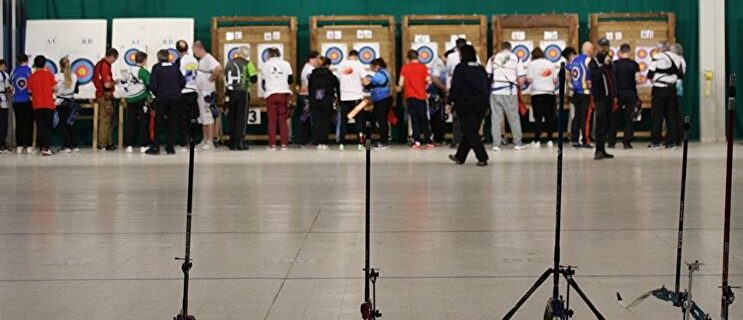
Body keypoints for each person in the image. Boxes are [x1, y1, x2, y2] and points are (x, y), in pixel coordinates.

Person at [448, 45, 489, 166]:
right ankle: (460, 157)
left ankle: (482, 157)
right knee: (471, 130)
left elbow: (456, 86)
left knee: (470, 131)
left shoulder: (460, 68)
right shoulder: (480, 68)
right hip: (481, 103)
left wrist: (449, 101)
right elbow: (487, 85)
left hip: (466, 103)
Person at [486, 41, 527, 151]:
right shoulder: (516, 58)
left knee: (496, 118)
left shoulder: (493, 58)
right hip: (510, 91)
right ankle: (518, 143)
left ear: (500, 48)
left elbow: (487, 75)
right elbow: (521, 79)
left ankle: (496, 144)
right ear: (510, 48)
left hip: (495, 92)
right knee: (513, 117)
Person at [648, 41, 685, 150]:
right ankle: (671, 142)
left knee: (657, 116)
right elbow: (680, 74)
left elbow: (650, 74)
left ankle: (656, 143)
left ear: (660, 48)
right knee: (671, 116)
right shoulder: (677, 58)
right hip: (672, 89)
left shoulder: (657, 57)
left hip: (659, 88)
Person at [147, 50, 185, 155]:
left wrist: (158, 93)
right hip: (175, 98)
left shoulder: (156, 68)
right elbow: (183, 82)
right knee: (172, 123)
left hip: (162, 99)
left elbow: (153, 85)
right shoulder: (175, 67)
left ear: (158, 58)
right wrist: (176, 91)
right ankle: (170, 147)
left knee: (158, 123)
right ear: (169, 57)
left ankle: (156, 147)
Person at [224, 46, 258, 151]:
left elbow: (226, 77)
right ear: (245, 54)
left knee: (232, 117)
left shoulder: (229, 63)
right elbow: (254, 79)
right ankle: (239, 143)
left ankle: (232, 142)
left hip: (231, 93)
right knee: (241, 118)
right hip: (243, 92)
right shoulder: (248, 64)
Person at [260, 47, 293, 150]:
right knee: (283, 120)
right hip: (283, 94)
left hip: (271, 94)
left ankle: (272, 144)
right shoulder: (286, 64)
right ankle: (284, 144)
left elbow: (263, 82)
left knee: (272, 121)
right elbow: (290, 80)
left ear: (269, 55)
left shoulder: (265, 65)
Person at [334, 50, 368, 150]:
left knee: (344, 121)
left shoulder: (341, 65)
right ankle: (361, 144)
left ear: (348, 56)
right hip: (357, 98)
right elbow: (365, 81)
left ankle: (341, 143)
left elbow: (338, 79)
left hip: (344, 98)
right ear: (357, 57)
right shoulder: (359, 65)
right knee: (359, 122)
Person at [399, 50, 433, 149]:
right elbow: (429, 81)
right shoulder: (423, 67)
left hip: (410, 96)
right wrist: (423, 87)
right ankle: (428, 141)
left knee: (414, 119)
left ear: (408, 59)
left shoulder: (405, 68)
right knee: (424, 119)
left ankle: (416, 141)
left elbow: (401, 83)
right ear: (418, 57)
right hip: (421, 96)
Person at [589, 37, 616, 160]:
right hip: (600, 97)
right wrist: (603, 66)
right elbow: (594, 77)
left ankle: (603, 149)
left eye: (606, 46)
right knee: (599, 124)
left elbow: (612, 78)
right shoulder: (594, 62)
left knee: (607, 124)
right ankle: (598, 151)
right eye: (602, 46)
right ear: (598, 47)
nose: (604, 48)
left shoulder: (610, 61)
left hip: (609, 97)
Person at [609, 43, 641, 149]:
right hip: (630, 93)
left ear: (620, 52)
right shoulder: (634, 64)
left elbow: (611, 80)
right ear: (629, 52)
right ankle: (626, 142)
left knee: (614, 118)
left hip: (617, 95)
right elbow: (638, 80)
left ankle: (611, 142)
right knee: (630, 118)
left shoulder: (614, 64)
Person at [193, 41, 222, 151]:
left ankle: (210, 141)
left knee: (208, 116)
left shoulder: (208, 57)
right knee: (202, 117)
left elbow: (218, 68)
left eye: (195, 51)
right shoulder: (202, 60)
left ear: (199, 49)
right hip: (201, 93)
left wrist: (212, 78)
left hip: (207, 93)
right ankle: (204, 139)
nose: (194, 53)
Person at [526, 47, 558, 148]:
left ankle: (537, 141)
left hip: (537, 94)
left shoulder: (532, 64)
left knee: (538, 118)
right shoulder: (550, 63)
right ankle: (549, 140)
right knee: (549, 118)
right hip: (549, 93)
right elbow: (555, 80)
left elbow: (529, 79)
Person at [121, 51, 151, 153]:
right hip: (141, 99)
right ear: (144, 61)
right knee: (143, 122)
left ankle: (129, 145)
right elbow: (149, 85)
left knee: (130, 122)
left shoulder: (128, 70)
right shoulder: (143, 72)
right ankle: (144, 145)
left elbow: (123, 83)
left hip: (130, 99)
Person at [28, 55, 57, 156]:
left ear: (35, 64)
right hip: (48, 104)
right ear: (45, 64)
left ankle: (42, 148)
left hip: (37, 105)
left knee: (40, 127)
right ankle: (46, 148)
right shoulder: (49, 75)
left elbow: (30, 91)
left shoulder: (32, 76)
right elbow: (55, 88)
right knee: (48, 127)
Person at [308, 56, 340, 149]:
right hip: (327, 100)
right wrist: (338, 98)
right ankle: (324, 141)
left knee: (316, 120)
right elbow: (336, 86)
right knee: (326, 121)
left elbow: (310, 88)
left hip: (315, 100)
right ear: (328, 65)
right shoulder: (330, 75)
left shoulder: (313, 75)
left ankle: (317, 141)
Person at [567, 42, 594, 149]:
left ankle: (574, 139)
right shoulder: (588, 60)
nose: (592, 51)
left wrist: (572, 84)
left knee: (577, 116)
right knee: (586, 118)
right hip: (585, 93)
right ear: (588, 50)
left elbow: (567, 71)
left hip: (576, 93)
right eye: (591, 49)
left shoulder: (574, 59)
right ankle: (585, 141)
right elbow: (592, 75)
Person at [93, 48, 119, 151]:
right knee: (105, 120)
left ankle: (107, 143)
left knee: (108, 119)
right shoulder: (104, 66)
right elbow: (107, 84)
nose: (114, 61)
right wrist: (115, 82)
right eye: (114, 59)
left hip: (102, 95)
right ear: (111, 56)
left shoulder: (100, 64)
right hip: (104, 96)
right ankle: (102, 144)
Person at [176, 40, 199, 151]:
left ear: (177, 50)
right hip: (193, 91)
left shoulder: (181, 60)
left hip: (184, 92)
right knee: (192, 119)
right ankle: (193, 144)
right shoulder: (194, 59)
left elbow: (179, 77)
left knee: (183, 120)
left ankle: (183, 145)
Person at [55, 56, 81, 153]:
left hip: (61, 102)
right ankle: (74, 145)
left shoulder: (56, 76)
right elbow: (76, 90)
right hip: (71, 101)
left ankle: (67, 146)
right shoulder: (74, 76)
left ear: (60, 65)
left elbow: (54, 89)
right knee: (70, 124)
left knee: (63, 124)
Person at [367, 58, 392, 149]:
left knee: (381, 121)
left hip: (382, 100)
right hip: (385, 99)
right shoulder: (385, 72)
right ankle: (385, 139)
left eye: (372, 67)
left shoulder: (379, 74)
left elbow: (371, 84)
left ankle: (383, 142)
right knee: (383, 120)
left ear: (377, 66)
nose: (371, 69)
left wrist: (367, 80)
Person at [297, 51, 321, 147]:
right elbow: (310, 85)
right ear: (311, 59)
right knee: (306, 119)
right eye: (317, 59)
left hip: (307, 96)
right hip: (307, 97)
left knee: (307, 118)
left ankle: (306, 140)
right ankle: (306, 140)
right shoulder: (310, 70)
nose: (319, 61)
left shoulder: (308, 68)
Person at [11, 54, 34, 154]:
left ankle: (19, 146)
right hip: (28, 101)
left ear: (17, 61)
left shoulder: (14, 71)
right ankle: (28, 146)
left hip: (16, 101)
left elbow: (10, 85)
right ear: (27, 60)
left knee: (19, 123)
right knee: (29, 123)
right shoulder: (30, 71)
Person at [427, 56, 448, 144]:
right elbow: (435, 79)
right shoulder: (439, 63)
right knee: (437, 115)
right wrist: (444, 89)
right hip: (435, 92)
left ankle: (437, 137)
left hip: (436, 92)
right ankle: (437, 138)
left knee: (437, 115)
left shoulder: (441, 63)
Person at [671, 43, 686, 146]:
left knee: (676, 114)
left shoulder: (678, 60)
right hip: (677, 89)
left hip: (676, 89)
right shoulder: (679, 60)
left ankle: (677, 138)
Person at [0, 60, 11, 153]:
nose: (5, 67)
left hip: (3, 100)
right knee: (2, 123)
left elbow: (7, 88)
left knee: (3, 123)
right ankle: (1, 145)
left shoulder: (5, 75)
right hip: (1, 100)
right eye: (4, 66)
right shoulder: (4, 75)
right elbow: (7, 88)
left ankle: (2, 144)